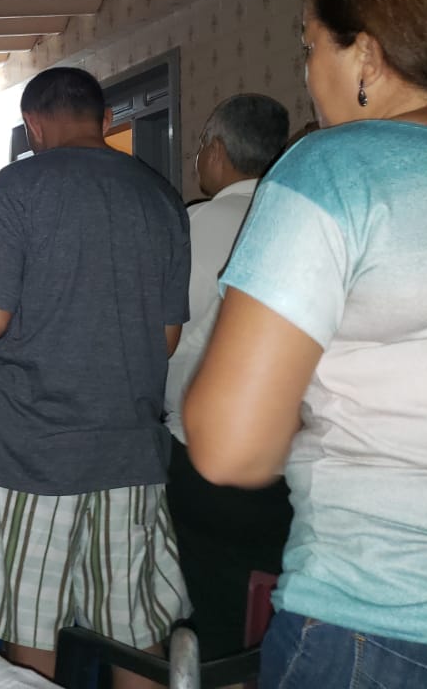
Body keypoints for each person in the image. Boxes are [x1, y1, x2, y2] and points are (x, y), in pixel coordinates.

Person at [185, 0, 427, 689]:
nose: (306, 70)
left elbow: (231, 445)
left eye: (310, 44)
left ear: (366, 53)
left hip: (380, 618)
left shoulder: (336, 168)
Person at [0, 66, 191, 687]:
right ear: (105, 120)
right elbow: (167, 338)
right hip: (130, 452)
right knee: (135, 633)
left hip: (33, 453)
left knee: (31, 631)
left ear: (33, 124)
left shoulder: (19, 184)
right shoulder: (159, 195)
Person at [163, 93, 292, 661]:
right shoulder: (299, 217)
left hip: (203, 451)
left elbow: (163, 339)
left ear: (216, 149)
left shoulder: (192, 227)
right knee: (271, 599)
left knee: (209, 606)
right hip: (292, 458)